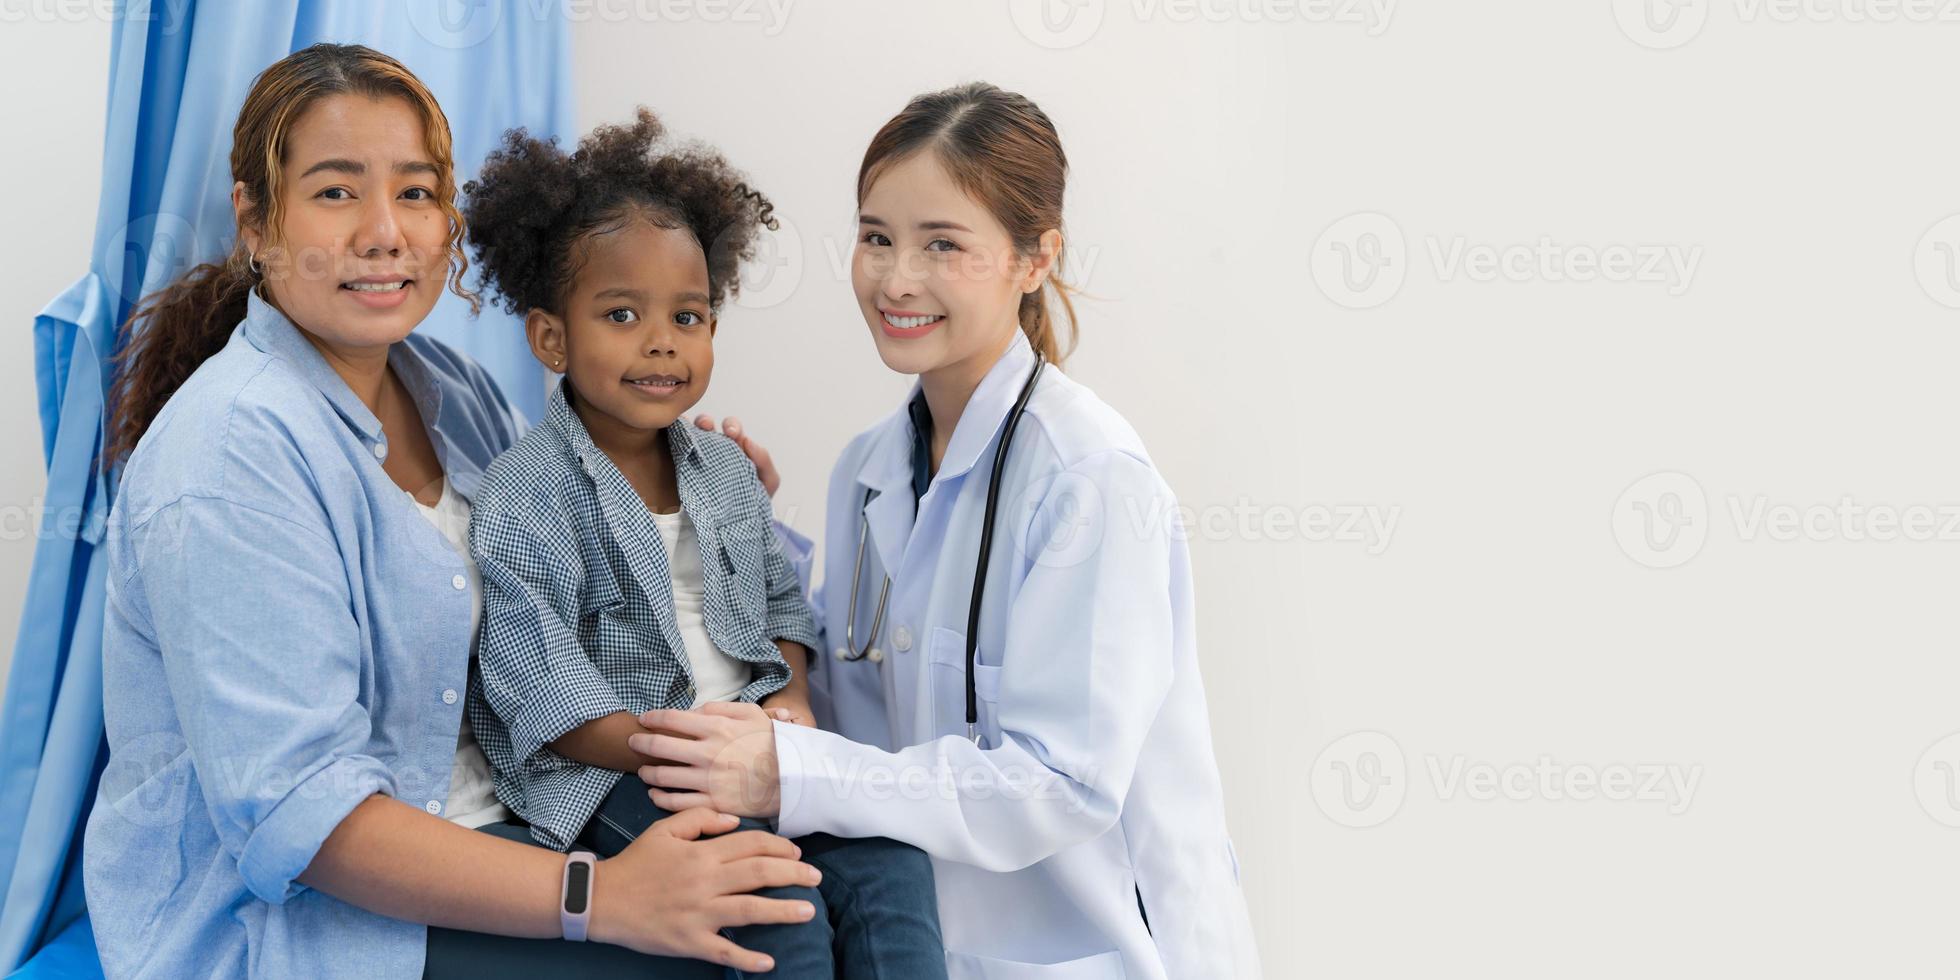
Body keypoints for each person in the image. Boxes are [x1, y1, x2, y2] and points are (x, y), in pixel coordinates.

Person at [82, 44, 816, 979]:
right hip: (314, 924)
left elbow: (583, 579)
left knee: (806, 876)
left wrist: (706, 500)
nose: (386, 232)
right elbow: (303, 817)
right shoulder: (230, 457)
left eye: (418, 193)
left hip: (509, 826)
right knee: (760, 936)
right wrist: (607, 896)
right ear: (255, 223)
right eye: (337, 192)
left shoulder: (455, 394)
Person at [643, 82, 1263, 978]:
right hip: (924, 947)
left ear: (1034, 257)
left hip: (1102, 956)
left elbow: (1059, 784)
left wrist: (791, 771)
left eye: (943, 245)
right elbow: (864, 715)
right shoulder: (867, 469)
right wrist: (745, 534)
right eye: (876, 237)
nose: (896, 279)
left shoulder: (1090, 482)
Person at [459, 108, 947, 978]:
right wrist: (697, 753)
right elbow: (543, 699)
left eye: (688, 316)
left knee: (889, 861)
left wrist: (788, 712)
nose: (661, 342)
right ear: (550, 337)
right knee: (773, 905)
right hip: (620, 771)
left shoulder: (723, 471)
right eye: (621, 313)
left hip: (751, 745)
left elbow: (782, 605)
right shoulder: (522, 496)